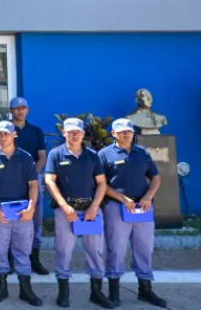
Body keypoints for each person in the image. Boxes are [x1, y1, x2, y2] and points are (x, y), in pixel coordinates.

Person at [44, 118, 112, 309]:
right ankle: (63, 292)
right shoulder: (56, 154)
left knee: (96, 250)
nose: (75, 134)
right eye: (70, 131)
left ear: (83, 134)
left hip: (91, 209)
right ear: (64, 133)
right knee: (64, 251)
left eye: (78, 131)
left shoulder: (92, 156)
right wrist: (64, 205)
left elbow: (101, 183)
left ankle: (96, 292)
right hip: (66, 211)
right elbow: (49, 181)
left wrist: (94, 206)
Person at [98, 118, 166, 308]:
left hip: (142, 208)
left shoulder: (142, 152)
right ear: (114, 134)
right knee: (116, 248)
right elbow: (101, 184)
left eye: (129, 130)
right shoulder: (104, 154)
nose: (126, 133)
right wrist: (123, 199)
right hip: (116, 207)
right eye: (121, 131)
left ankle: (145, 289)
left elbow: (155, 178)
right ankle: (114, 290)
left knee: (145, 248)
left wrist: (148, 196)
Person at [0, 121, 42, 306]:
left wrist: (31, 207)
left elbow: (33, 185)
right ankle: (1, 287)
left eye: (6, 133)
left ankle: (26, 289)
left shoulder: (25, 157)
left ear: (14, 134)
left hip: (22, 211)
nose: (2, 136)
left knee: (23, 250)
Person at [9, 97, 49, 275]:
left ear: (27, 110)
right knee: (12, 218)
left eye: (23, 108)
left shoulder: (36, 131)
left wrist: (34, 176)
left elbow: (42, 156)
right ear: (10, 111)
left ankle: (34, 258)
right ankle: (11, 259)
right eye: (16, 108)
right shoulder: (5, 130)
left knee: (35, 219)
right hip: (10, 181)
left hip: (33, 180)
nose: (20, 111)